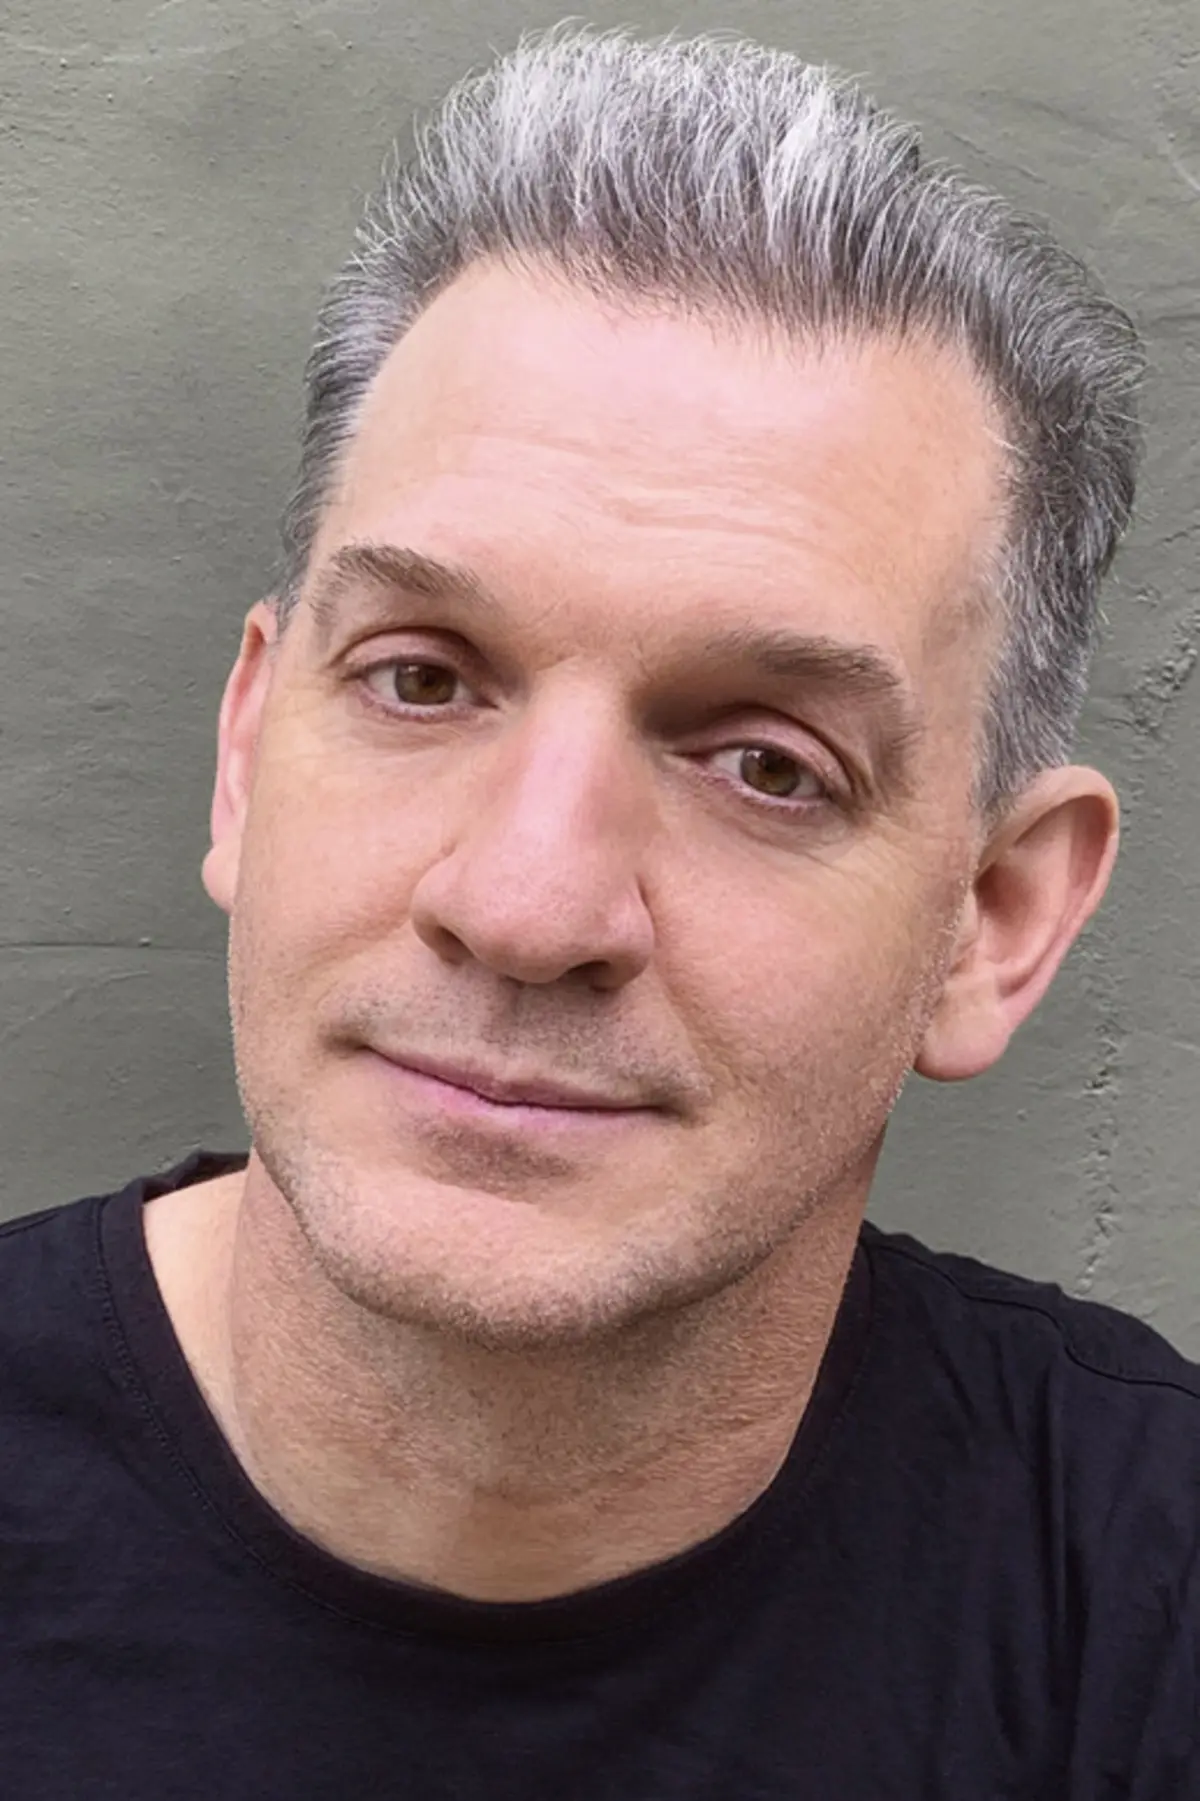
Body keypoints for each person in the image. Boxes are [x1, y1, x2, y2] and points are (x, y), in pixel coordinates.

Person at [3, 22, 1195, 1799]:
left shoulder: (1139, 1601)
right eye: (421, 678)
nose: (525, 904)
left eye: (768, 765)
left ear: (993, 920)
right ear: (247, 754)